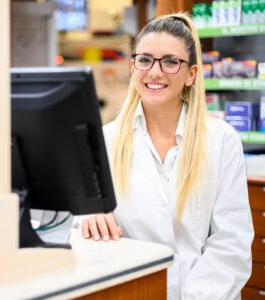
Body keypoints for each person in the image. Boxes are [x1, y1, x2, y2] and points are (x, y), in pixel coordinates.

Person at [81, 12, 254, 300]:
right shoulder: (106, 140)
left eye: (171, 61)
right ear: (134, 66)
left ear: (191, 74)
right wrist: (89, 217)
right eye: (145, 59)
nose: (155, 72)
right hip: (134, 293)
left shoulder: (221, 140)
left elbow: (231, 244)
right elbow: (83, 232)